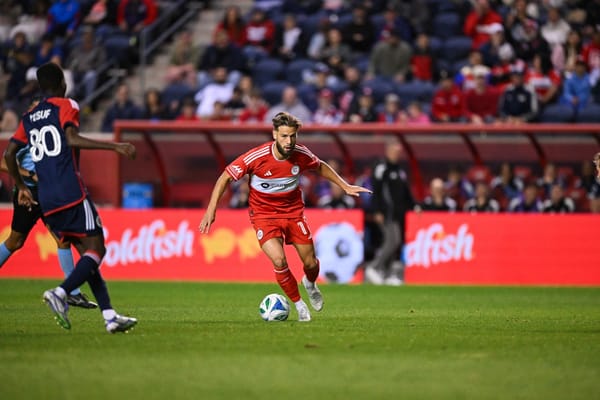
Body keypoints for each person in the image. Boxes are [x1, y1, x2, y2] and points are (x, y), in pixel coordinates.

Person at [198, 112, 371, 321]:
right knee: (279, 260)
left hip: (293, 213)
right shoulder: (257, 157)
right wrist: (211, 209)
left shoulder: (300, 153)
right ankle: (299, 306)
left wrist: (344, 185)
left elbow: (320, 166)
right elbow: (225, 176)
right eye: (284, 136)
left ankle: (310, 283)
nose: (289, 142)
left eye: (292, 136)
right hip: (264, 216)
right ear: (274, 134)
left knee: (311, 264)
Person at [4, 62, 137, 333]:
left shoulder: (28, 117)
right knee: (97, 249)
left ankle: (109, 316)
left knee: (85, 250)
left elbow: (8, 154)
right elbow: (71, 139)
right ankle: (62, 292)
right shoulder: (67, 105)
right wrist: (115, 147)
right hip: (71, 192)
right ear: (62, 82)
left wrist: (22, 186)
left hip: (47, 199)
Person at [0, 98, 96, 309]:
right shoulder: (27, 130)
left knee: (63, 238)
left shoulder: (49, 130)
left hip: (48, 192)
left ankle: (72, 292)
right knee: (15, 241)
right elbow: (5, 161)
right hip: (29, 194)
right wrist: (28, 175)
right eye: (36, 107)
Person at [363, 139, 415, 286]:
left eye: (398, 152)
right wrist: (377, 210)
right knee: (392, 241)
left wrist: (415, 205)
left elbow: (406, 192)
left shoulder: (399, 171)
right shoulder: (381, 168)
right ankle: (374, 267)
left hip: (397, 214)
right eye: (394, 151)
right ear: (388, 151)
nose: (396, 154)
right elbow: (376, 190)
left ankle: (385, 273)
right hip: (385, 213)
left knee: (394, 241)